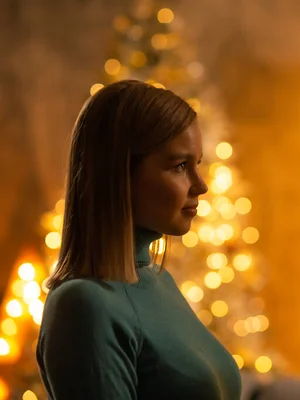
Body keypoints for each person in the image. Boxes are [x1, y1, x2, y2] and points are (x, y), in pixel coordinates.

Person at [37, 80, 241, 400]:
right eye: (179, 166)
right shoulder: (83, 305)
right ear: (119, 174)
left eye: (197, 164)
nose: (200, 185)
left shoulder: (160, 282)